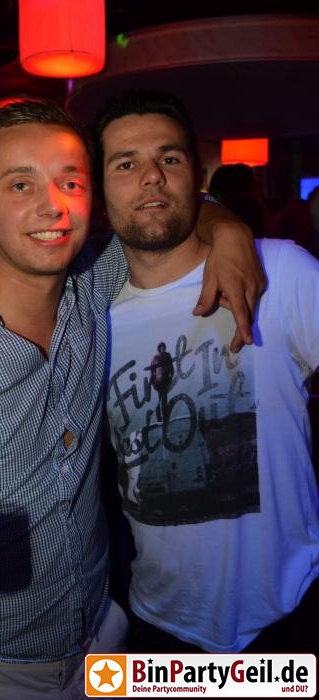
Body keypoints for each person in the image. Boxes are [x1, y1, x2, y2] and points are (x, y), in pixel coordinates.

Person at [0, 98, 264, 700]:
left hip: (100, 636)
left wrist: (230, 229)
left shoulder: (92, 285)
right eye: (21, 184)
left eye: (70, 182)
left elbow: (167, 209)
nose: (52, 205)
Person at [101, 90, 319, 654]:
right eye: (124, 164)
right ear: (100, 192)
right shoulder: (89, 320)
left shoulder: (281, 271)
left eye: (168, 158)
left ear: (197, 178)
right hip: (158, 623)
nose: (151, 176)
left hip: (288, 615)